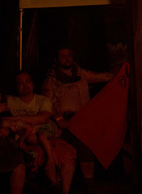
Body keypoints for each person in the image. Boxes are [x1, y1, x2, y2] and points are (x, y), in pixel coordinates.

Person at [42, 47, 112, 189]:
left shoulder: (81, 74)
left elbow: (103, 77)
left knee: (86, 151)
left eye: (69, 55)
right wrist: (58, 118)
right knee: (62, 155)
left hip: (81, 122)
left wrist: (122, 72)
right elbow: (46, 103)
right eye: (63, 56)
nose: (67, 58)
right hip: (61, 124)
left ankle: (89, 185)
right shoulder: (50, 81)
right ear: (56, 60)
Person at [6, 71, 77, 194]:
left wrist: (14, 119)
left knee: (67, 154)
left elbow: (42, 118)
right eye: (20, 83)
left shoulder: (43, 100)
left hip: (47, 137)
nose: (25, 85)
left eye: (28, 81)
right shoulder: (9, 101)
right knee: (26, 157)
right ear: (16, 86)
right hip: (25, 139)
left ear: (33, 84)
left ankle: (64, 190)